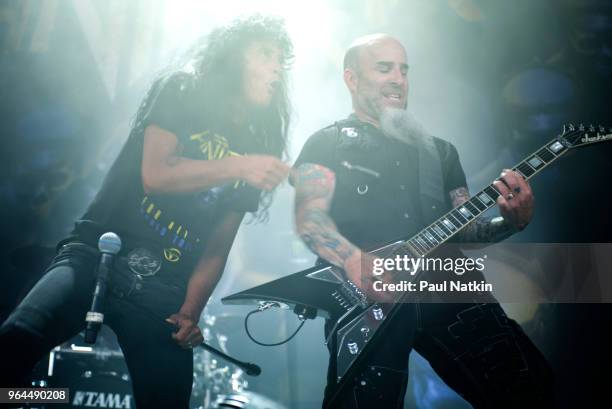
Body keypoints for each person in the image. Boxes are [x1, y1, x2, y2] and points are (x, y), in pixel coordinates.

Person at [0, 14, 292, 408]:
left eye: (281, 58)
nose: (277, 67)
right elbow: (156, 175)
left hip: (165, 284)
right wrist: (240, 165)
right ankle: (44, 401)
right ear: (234, 56)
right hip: (98, 253)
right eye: (265, 54)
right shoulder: (184, 89)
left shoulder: (260, 140)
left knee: (168, 401)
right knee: (15, 341)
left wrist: (191, 311)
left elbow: (218, 245)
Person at [292, 34, 553, 408]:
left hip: (446, 285)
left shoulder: (439, 151)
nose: (398, 78)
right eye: (384, 68)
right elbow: (310, 221)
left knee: (530, 388)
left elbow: (467, 231)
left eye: (404, 70)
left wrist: (512, 221)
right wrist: (353, 260)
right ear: (352, 79)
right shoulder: (326, 143)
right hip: (365, 298)